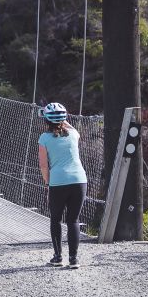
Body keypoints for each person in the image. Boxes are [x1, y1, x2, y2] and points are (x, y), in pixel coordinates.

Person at [38, 102, 87, 269]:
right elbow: (67, 126)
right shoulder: (74, 134)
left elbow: (44, 166)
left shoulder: (44, 138)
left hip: (58, 182)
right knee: (73, 220)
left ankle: (58, 256)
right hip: (80, 180)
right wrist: (62, 119)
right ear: (64, 118)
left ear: (46, 119)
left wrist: (48, 182)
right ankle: (74, 259)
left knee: (56, 219)